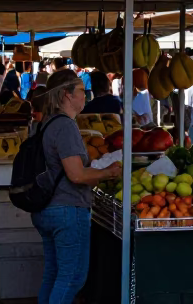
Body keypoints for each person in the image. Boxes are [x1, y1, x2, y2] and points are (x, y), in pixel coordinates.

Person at [32, 70, 122, 303]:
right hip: (67, 209)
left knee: (54, 274)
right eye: (82, 91)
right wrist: (107, 172)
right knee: (72, 278)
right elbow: (77, 175)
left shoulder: (45, 123)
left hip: (47, 208)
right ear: (66, 95)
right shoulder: (65, 127)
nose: (86, 96)